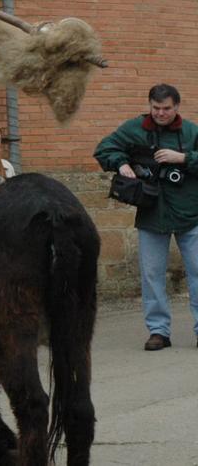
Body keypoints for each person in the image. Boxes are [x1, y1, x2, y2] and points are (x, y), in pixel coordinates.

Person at [95, 83, 198, 351]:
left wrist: (184, 157)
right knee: (152, 275)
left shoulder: (190, 131)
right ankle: (158, 332)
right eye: (156, 108)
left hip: (190, 213)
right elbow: (105, 147)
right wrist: (121, 163)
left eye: (166, 108)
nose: (160, 113)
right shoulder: (135, 128)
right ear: (149, 105)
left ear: (177, 107)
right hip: (152, 214)